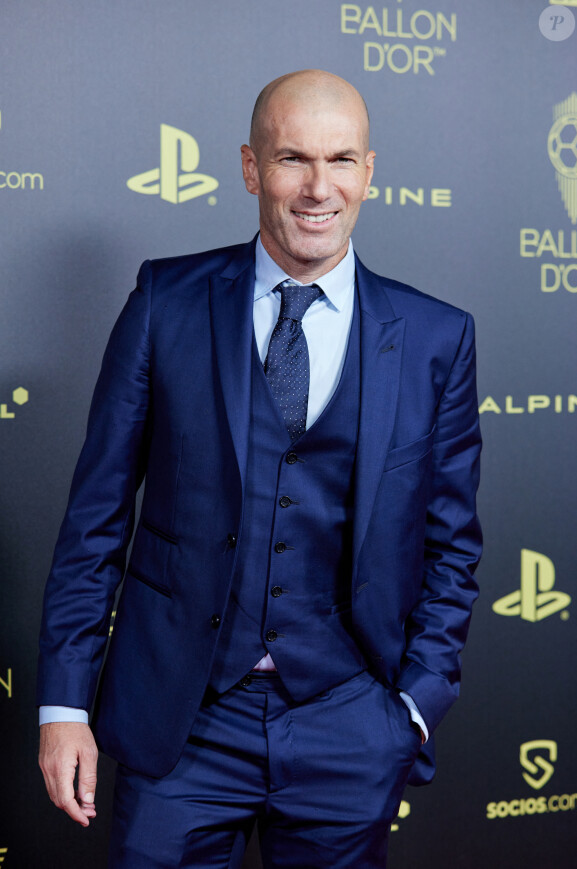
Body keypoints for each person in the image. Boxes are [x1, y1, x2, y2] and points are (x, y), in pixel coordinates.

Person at [38, 69, 482, 868]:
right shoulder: (164, 301)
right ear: (250, 168)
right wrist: (65, 702)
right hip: (181, 722)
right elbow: (95, 519)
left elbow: (454, 546)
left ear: (369, 173)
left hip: (351, 721)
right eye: (292, 159)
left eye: (341, 160)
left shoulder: (435, 337)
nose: (319, 187)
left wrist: (413, 706)